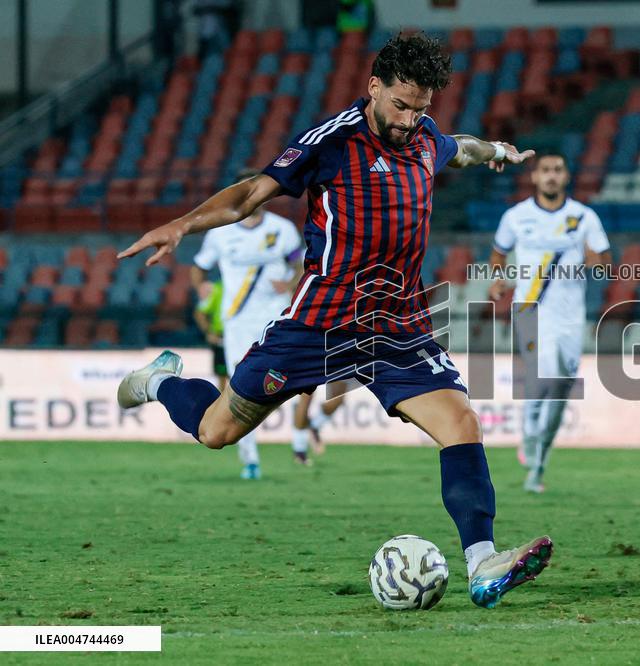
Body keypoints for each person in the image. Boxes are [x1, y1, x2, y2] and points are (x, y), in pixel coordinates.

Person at [115, 32, 552, 608]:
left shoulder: (425, 137)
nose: (409, 120)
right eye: (401, 105)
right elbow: (250, 194)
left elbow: (460, 148)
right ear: (373, 87)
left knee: (461, 423)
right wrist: (182, 225)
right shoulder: (333, 141)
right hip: (318, 324)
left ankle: (481, 563)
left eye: (421, 108)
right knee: (217, 431)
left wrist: (494, 149)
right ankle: (158, 382)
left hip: (396, 325)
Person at [487, 152, 611, 493]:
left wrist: (595, 261)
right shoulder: (516, 216)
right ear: (535, 177)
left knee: (561, 387)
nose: (551, 176)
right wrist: (497, 279)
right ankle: (530, 435)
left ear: (566, 176)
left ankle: (538, 463)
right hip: (530, 309)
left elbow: (604, 261)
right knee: (544, 374)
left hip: (570, 316)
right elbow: (498, 253)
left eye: (557, 170)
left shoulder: (584, 217)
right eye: (545, 170)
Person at [189, 168, 307, 478]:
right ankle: (250, 458)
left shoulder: (282, 229)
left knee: (295, 380)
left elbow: (300, 263)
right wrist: (201, 287)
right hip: (237, 321)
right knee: (238, 387)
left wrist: (291, 283)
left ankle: (301, 442)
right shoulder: (220, 233)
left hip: (277, 318)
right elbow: (198, 267)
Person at [193, 280, 228, 391]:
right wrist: (209, 332)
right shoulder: (218, 289)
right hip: (222, 336)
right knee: (222, 373)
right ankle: (222, 397)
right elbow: (200, 312)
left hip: (245, 337)